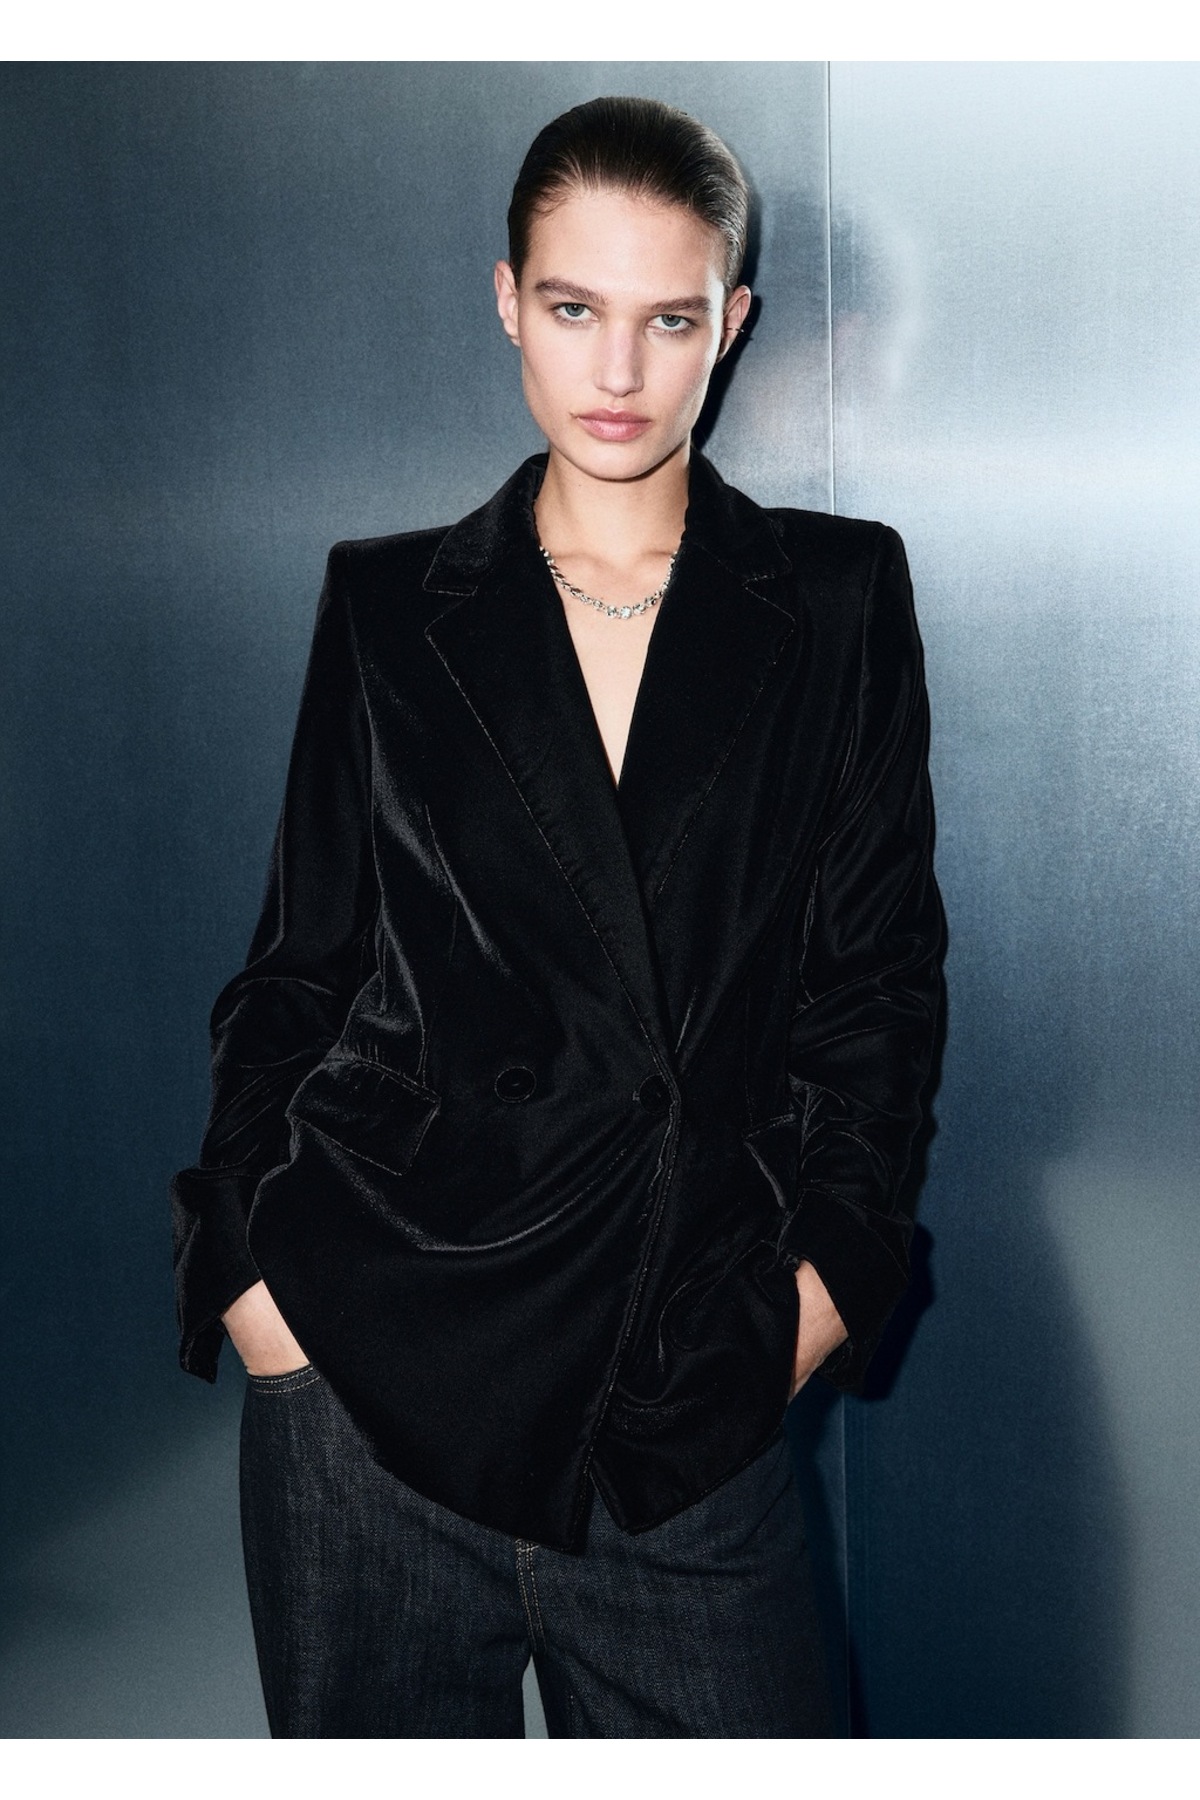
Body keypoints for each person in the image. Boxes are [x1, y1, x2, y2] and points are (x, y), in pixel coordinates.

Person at [170, 95, 944, 1739]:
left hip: (681, 1397)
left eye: (670, 319)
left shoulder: (833, 599)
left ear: (732, 324)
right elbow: (299, 970)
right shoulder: (390, 603)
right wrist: (250, 1278)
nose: (619, 371)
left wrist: (813, 1298)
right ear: (507, 302)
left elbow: (876, 985)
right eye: (576, 307)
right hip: (371, 1375)